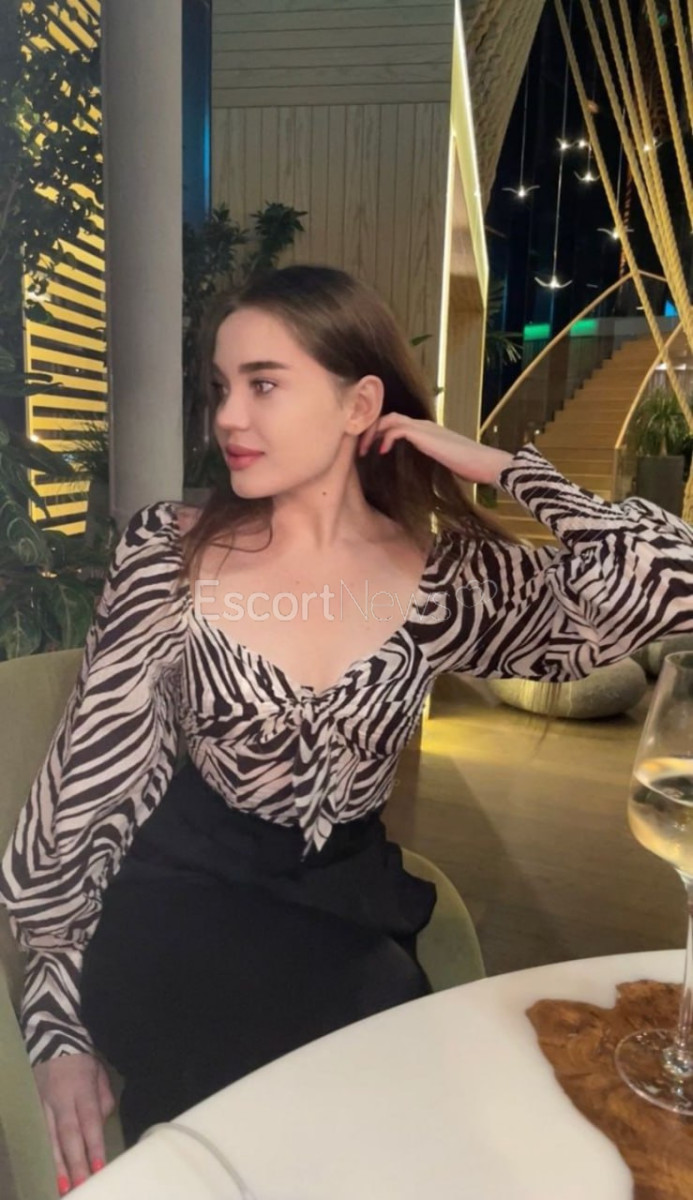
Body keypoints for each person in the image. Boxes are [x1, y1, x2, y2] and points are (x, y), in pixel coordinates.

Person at [1, 264, 692, 1195]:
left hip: (346, 913)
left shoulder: (448, 582)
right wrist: (55, 1020)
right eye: (221, 386)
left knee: (399, 1130)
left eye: (264, 384)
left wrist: (506, 468)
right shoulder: (169, 552)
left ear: (359, 404)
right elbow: (89, 786)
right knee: (252, 1139)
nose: (227, 417)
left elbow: (672, 580)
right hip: (180, 908)